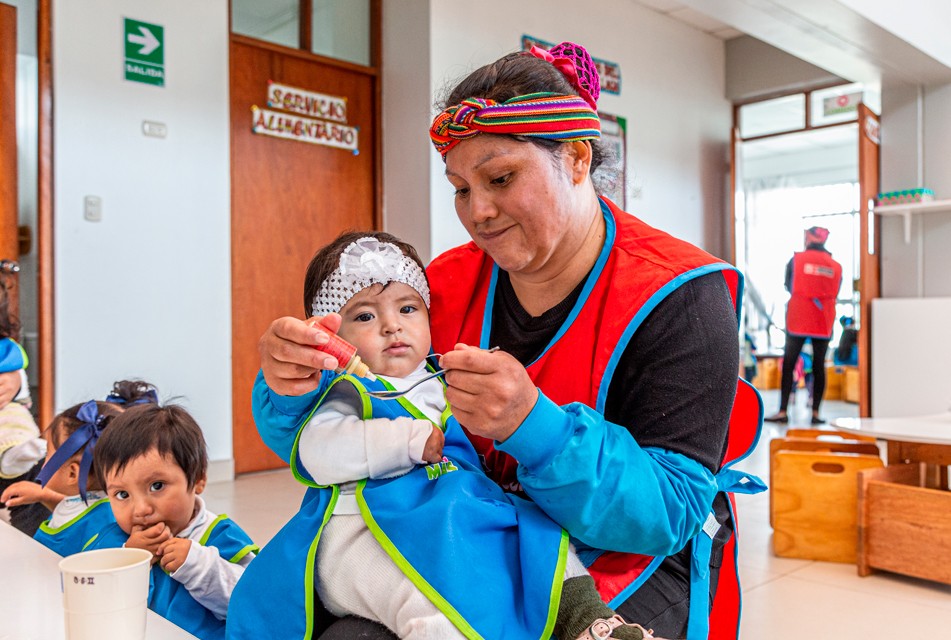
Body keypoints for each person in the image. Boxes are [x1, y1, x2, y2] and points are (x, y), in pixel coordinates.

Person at [252, 42, 764, 640]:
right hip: (476, 531)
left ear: (575, 158)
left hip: (625, 556)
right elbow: (339, 415)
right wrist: (291, 386)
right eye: (461, 188)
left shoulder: (680, 296)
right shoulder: (437, 288)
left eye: (499, 178)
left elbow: (669, 513)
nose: (479, 212)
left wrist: (535, 428)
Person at [229, 232, 660, 640]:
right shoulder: (347, 390)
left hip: (444, 514)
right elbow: (319, 452)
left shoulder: (439, 378)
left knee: (536, 535)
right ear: (330, 337)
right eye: (364, 316)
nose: (392, 326)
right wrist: (407, 441)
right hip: (363, 531)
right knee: (428, 601)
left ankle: (589, 622)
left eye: (408, 309)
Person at [89, 402, 258, 640]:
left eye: (157, 486)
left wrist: (197, 564)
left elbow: (256, 605)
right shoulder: (114, 537)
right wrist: (128, 558)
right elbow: (88, 595)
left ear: (198, 480)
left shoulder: (221, 536)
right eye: (122, 495)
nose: (141, 509)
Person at [0, 380, 158, 550]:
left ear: (72, 474)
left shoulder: (107, 528)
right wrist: (44, 495)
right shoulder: (91, 504)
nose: (42, 462)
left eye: (47, 454)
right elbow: (74, 516)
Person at [765, 226, 843, 425]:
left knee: (789, 363)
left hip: (799, 317)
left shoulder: (796, 260)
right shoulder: (835, 266)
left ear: (808, 239)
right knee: (819, 366)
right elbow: (837, 290)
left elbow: (787, 284)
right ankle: (816, 413)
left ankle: (783, 411)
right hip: (823, 319)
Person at [0, 281, 47, 534]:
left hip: (10, 427)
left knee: (33, 472)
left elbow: (20, 394)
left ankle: (18, 454)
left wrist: (16, 382)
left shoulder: (8, 354)